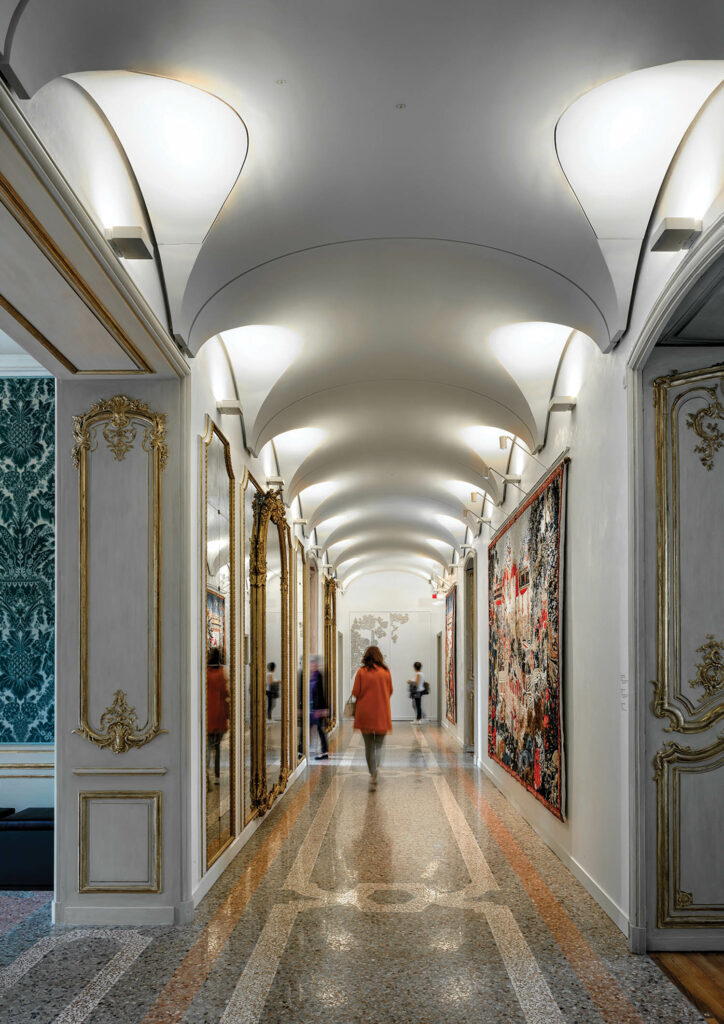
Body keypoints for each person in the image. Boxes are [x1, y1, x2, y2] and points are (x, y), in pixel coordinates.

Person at [352, 645, 393, 790]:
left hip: (365, 714)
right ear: (379, 657)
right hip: (382, 713)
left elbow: (356, 692)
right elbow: (390, 691)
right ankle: (376, 768)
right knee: (379, 745)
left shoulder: (361, 672)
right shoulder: (386, 672)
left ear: (366, 657)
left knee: (368, 746)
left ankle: (372, 772)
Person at [206, 647, 230, 791]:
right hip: (219, 715)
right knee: (217, 748)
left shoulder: (205, 673)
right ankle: (216, 775)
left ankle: (206, 774)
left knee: (208, 747)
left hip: (208, 716)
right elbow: (226, 694)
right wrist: (228, 715)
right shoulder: (221, 673)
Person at [309, 654, 329, 760]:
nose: (311, 665)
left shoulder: (318, 675)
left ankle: (324, 751)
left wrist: (321, 709)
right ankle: (312, 749)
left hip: (317, 708)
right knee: (312, 728)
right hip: (312, 707)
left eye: (312, 663)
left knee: (320, 730)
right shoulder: (312, 675)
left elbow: (320, 694)